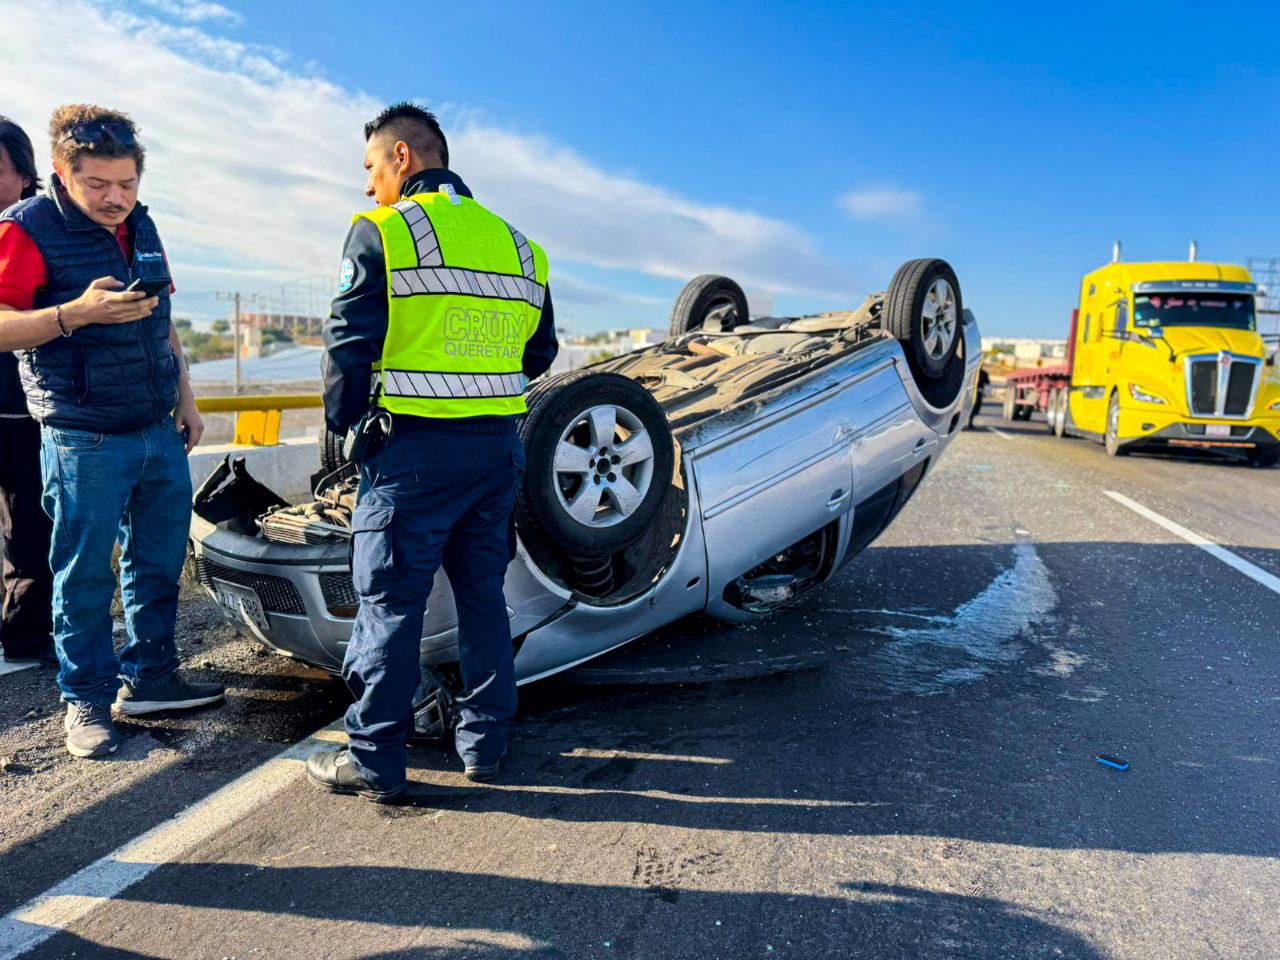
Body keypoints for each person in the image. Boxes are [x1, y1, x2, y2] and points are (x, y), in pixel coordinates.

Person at [308, 102, 558, 803]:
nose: (366, 187)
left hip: (411, 453)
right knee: (484, 597)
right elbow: (540, 354)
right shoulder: (521, 247)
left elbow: (347, 345)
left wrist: (347, 424)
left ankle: (375, 761)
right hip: (493, 451)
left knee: (390, 605)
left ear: (402, 159)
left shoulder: (382, 231)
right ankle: (485, 742)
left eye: (369, 168)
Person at [0, 104, 224, 759]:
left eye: (126, 184)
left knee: (157, 564)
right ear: (63, 175)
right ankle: (87, 701)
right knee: (84, 577)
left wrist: (186, 399)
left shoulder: (142, 222)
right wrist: (75, 313)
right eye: (98, 184)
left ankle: (152, 677)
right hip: (83, 434)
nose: (115, 199)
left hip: (157, 426)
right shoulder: (25, 228)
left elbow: (165, 318)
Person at [0, 117, 55, 666]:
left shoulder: (35, 233)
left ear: (23, 175)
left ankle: (25, 631)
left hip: (18, 408)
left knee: (27, 525)